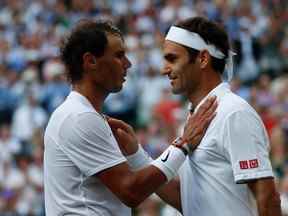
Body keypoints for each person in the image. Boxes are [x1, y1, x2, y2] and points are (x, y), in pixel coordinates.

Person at [109, 17, 281, 216]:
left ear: (203, 59)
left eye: (172, 59)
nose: (164, 69)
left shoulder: (234, 113)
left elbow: (267, 197)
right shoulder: (195, 118)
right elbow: (187, 200)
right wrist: (136, 154)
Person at [43, 19, 217, 215]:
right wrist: (183, 143)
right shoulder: (79, 117)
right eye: (119, 56)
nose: (128, 64)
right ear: (90, 61)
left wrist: (136, 154)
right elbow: (131, 192)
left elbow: (172, 196)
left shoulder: (82, 115)